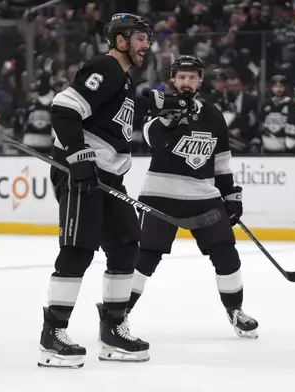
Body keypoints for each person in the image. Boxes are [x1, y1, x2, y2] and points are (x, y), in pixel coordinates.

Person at [39, 13, 195, 369]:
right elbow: (64, 109)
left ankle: (113, 329)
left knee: (126, 247)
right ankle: (53, 333)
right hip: (84, 173)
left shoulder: (121, 81)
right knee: (78, 250)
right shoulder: (105, 67)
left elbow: (127, 110)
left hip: (108, 178)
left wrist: (170, 103)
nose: (147, 45)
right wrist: (78, 159)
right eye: (141, 38)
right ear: (120, 40)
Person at [126, 55, 259, 339]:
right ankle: (118, 314)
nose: (186, 82)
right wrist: (171, 119)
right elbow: (152, 137)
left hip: (203, 197)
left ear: (200, 81)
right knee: (145, 258)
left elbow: (221, 159)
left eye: (192, 77)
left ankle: (235, 310)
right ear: (173, 79)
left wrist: (231, 196)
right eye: (181, 77)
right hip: (161, 196)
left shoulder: (212, 114)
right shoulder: (161, 106)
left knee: (226, 253)